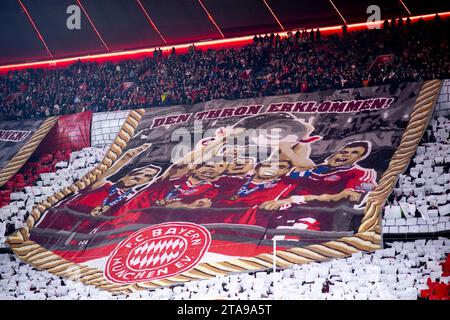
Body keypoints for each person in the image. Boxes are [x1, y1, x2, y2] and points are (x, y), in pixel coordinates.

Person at [260, 141, 377, 210]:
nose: (346, 155)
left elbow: (349, 196)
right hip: (282, 209)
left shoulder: (361, 173)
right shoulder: (316, 169)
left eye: (354, 153)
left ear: (359, 158)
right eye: (344, 152)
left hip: (316, 216)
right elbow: (286, 179)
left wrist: (293, 200)